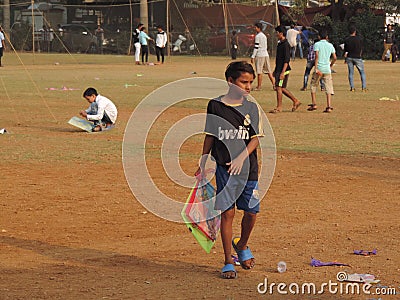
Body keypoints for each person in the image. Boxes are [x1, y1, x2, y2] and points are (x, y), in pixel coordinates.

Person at [196, 61, 264, 279]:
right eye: (244, 82)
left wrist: (241, 157)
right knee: (228, 214)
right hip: (224, 170)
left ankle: (242, 245)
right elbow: (210, 135)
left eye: (250, 82)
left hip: (248, 170)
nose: (248, 87)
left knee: (252, 213)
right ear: (230, 81)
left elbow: (255, 139)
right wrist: (204, 160)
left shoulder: (251, 107)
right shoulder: (215, 106)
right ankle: (227, 261)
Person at [270, 25, 301, 113]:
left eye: (277, 33)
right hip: (279, 69)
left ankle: (279, 107)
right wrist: (275, 70)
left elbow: (286, 60)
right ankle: (296, 101)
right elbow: (279, 59)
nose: (276, 34)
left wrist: (282, 72)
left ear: (281, 33)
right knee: (280, 87)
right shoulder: (280, 43)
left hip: (284, 70)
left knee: (279, 87)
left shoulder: (286, 45)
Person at [308, 29, 337, 113]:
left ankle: (314, 104)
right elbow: (335, 57)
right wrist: (330, 65)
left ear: (319, 37)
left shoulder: (317, 44)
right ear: (327, 37)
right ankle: (329, 106)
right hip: (327, 69)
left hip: (319, 68)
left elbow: (316, 56)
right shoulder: (330, 45)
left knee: (313, 85)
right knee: (328, 87)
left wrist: (316, 68)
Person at [250, 22, 274, 91]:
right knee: (269, 71)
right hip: (265, 54)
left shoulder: (258, 36)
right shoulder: (264, 36)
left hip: (260, 55)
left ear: (259, 28)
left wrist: (253, 56)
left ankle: (259, 86)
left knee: (259, 71)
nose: (255, 29)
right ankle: (274, 85)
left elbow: (256, 47)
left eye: (255, 27)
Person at [343, 24, 367, 92]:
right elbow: (361, 48)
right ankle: (364, 87)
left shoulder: (347, 39)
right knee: (362, 72)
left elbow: (346, 50)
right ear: (355, 31)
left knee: (351, 73)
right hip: (357, 57)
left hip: (349, 57)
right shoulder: (359, 39)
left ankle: (352, 87)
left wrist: (345, 59)